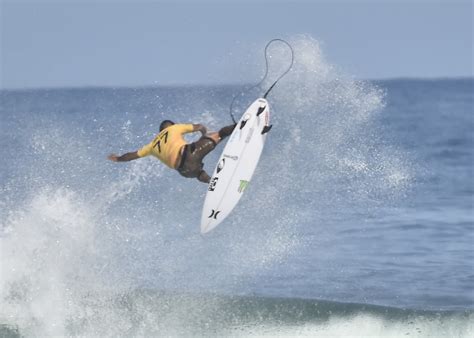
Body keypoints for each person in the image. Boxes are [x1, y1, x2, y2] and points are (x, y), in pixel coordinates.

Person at [108, 120, 236, 183]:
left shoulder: (152, 145)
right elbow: (199, 127)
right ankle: (239, 126)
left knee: (197, 173)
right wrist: (205, 133)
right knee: (218, 135)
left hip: (184, 171)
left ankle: (212, 182)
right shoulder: (174, 128)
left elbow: (131, 156)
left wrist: (118, 158)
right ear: (170, 125)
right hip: (189, 153)